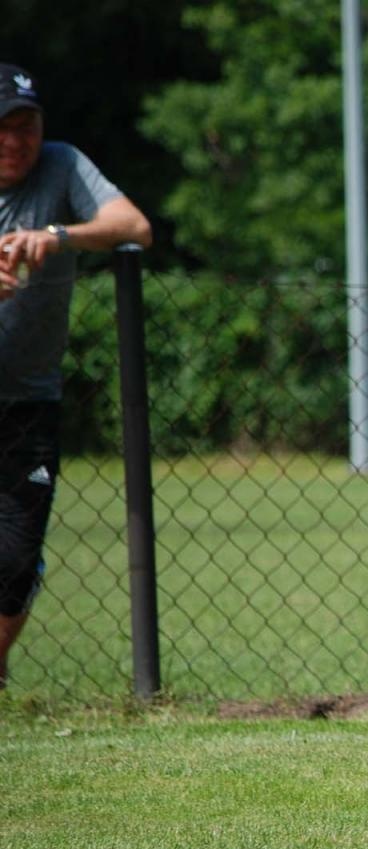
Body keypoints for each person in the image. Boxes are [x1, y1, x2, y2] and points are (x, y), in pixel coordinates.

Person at [0, 63, 153, 688]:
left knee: (14, 561)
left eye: (27, 126)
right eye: (4, 127)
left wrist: (57, 236)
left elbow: (135, 227)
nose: (16, 141)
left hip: (28, 402)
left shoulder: (60, 166)